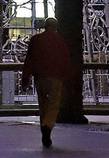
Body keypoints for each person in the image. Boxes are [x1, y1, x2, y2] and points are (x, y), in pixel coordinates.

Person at [21, 17, 73, 148]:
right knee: (54, 104)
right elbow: (65, 60)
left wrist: (25, 80)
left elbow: (29, 60)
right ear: (56, 27)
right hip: (55, 77)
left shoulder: (36, 40)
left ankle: (44, 130)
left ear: (44, 26)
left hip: (40, 77)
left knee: (43, 105)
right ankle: (47, 126)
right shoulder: (60, 41)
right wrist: (68, 79)